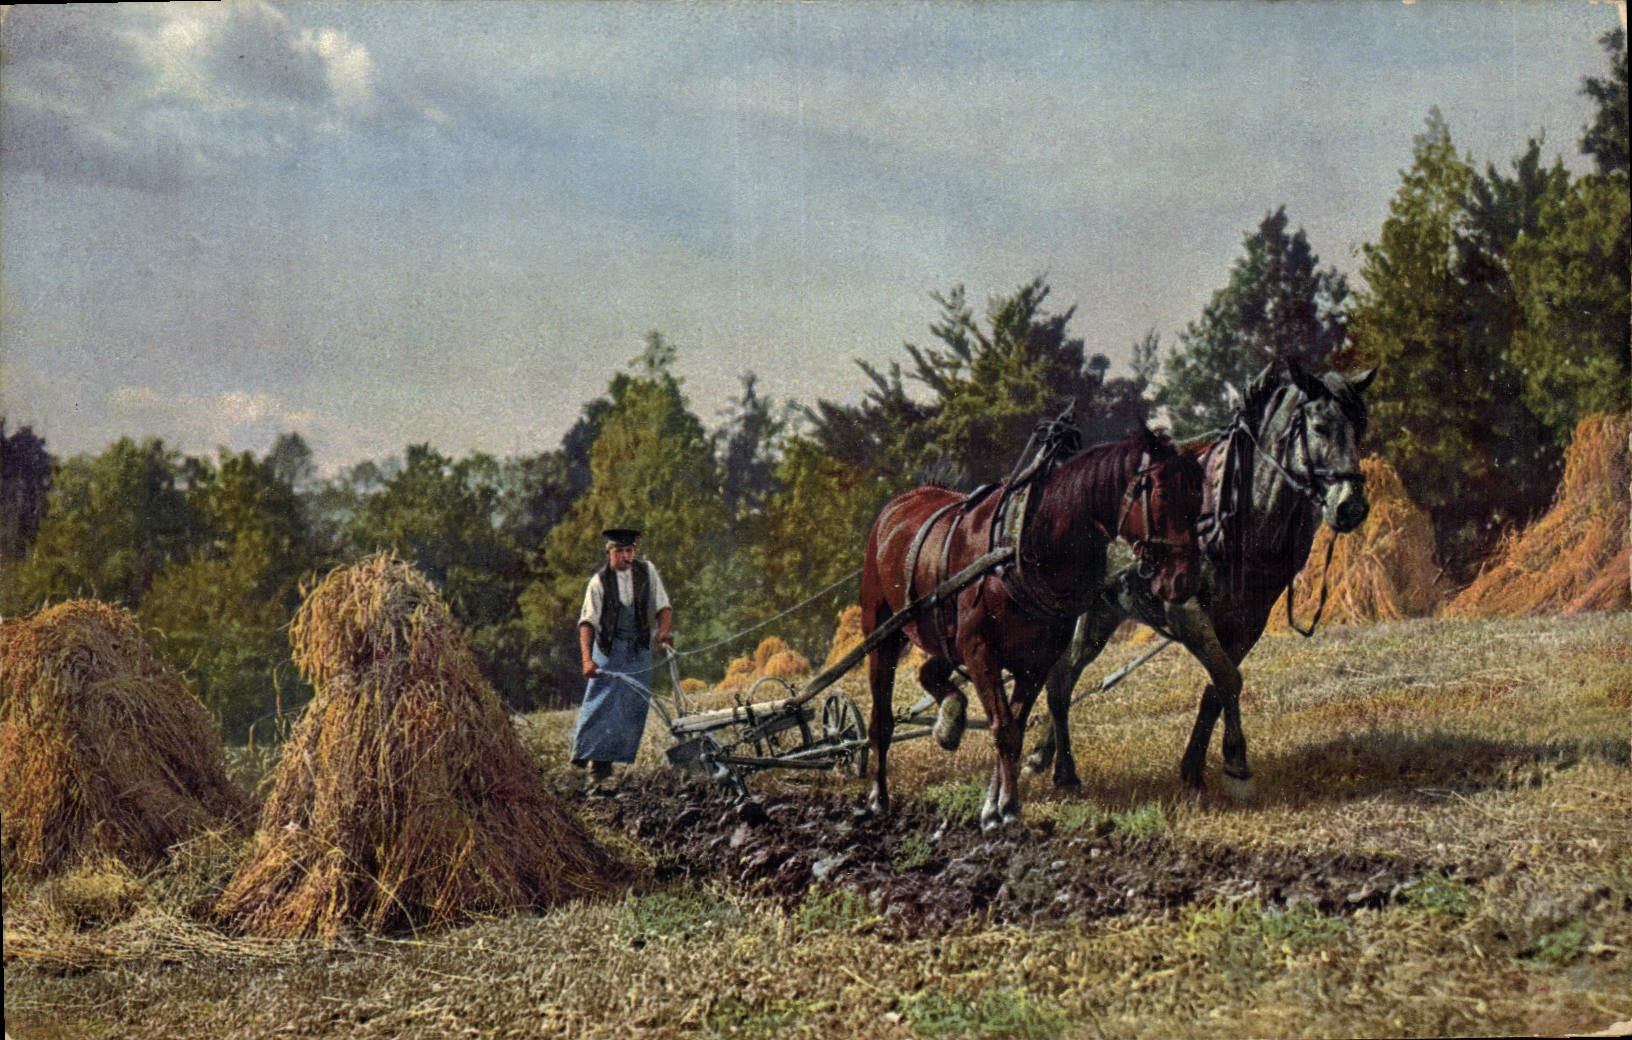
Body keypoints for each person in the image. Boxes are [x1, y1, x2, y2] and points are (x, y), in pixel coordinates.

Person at [571, 526, 673, 792]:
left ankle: (611, 764)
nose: (627, 557)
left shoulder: (647, 572)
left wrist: (662, 632)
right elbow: (587, 623)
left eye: (630, 551)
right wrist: (586, 660)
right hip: (609, 648)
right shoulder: (599, 582)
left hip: (638, 647)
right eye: (621, 552)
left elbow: (663, 606)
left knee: (633, 704)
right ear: (610, 553)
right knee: (602, 702)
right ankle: (594, 766)